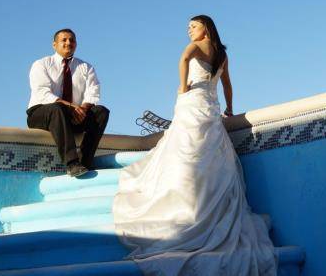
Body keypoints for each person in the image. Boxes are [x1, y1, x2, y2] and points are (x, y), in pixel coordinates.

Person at [113, 15, 277, 276]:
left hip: (192, 102)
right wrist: (231, 108)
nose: (189, 30)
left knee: (185, 150)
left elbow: (183, 60)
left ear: (206, 28)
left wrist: (182, 87)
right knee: (208, 154)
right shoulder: (222, 54)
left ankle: (187, 204)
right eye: (188, 27)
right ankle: (207, 206)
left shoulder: (194, 48)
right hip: (211, 108)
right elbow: (227, 83)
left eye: (193, 26)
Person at [27, 28, 110, 177]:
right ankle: (72, 163)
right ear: (54, 44)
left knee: (101, 112)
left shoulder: (86, 67)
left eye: (72, 40)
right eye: (64, 40)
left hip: (73, 115)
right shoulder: (41, 64)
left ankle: (85, 162)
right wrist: (72, 107)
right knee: (56, 108)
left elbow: (93, 91)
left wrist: (82, 109)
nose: (68, 43)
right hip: (41, 113)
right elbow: (43, 93)